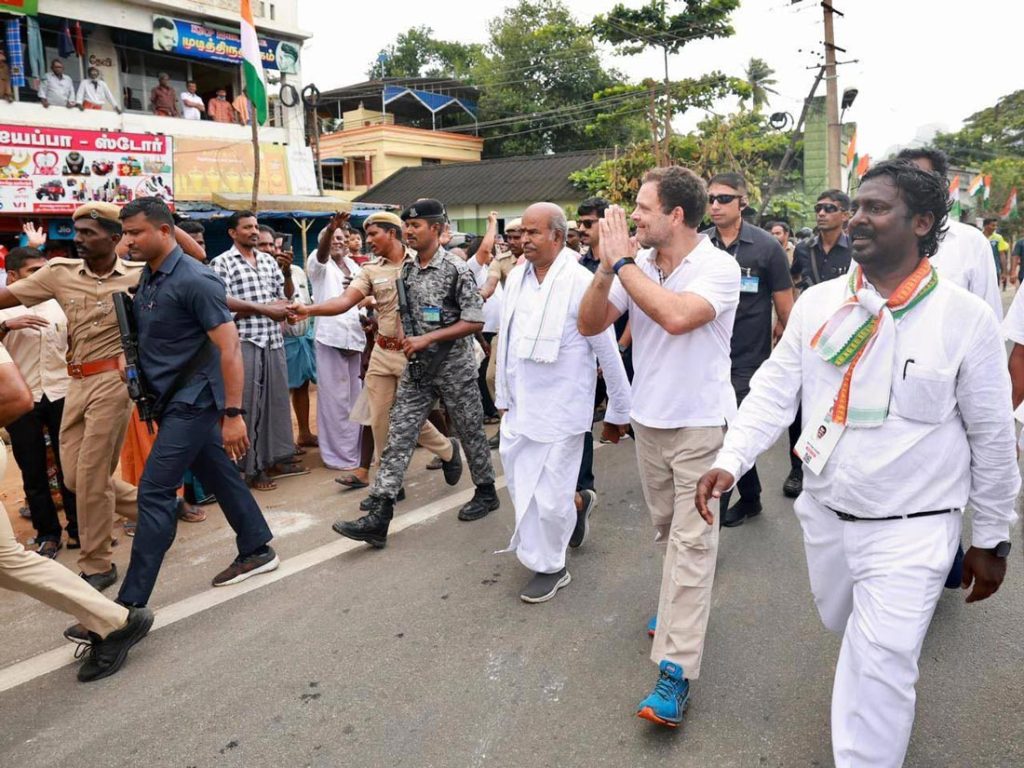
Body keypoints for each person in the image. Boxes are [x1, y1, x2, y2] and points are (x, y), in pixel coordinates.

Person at [698, 160, 1018, 765]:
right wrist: (731, 459)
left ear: (921, 222)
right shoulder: (820, 304)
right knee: (850, 633)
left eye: (877, 208)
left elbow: (993, 435)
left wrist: (992, 536)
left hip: (914, 529)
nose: (856, 219)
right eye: (857, 206)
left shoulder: (963, 317)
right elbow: (774, 390)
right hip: (825, 517)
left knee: (880, 666)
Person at [578, 166, 740, 728]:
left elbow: (675, 318)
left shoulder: (718, 266)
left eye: (643, 208)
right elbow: (590, 324)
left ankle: (675, 672)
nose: (633, 216)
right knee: (669, 532)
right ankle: (677, 609)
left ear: (675, 214)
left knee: (693, 546)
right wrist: (607, 267)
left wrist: (623, 263)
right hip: (649, 423)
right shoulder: (638, 265)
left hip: (701, 426)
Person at [295, 200, 499, 545]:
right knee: (398, 435)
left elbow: (474, 320)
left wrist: (428, 338)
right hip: (417, 369)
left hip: (454, 367)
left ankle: (486, 490)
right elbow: (394, 309)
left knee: (469, 431)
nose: (410, 231)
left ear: (436, 229)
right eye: (407, 226)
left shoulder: (455, 268)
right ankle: (380, 513)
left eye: (416, 226)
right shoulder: (406, 271)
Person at [113, 197, 280, 606]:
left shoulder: (195, 279)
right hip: (169, 397)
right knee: (217, 472)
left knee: (154, 492)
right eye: (125, 233)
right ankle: (257, 546)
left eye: (135, 233)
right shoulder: (152, 274)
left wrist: (233, 414)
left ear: (164, 231)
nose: (128, 241)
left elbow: (229, 347)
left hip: (194, 400)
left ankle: (127, 607)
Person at [0, 203, 141, 591]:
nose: (78, 239)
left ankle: (97, 564)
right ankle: (155, 508)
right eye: (76, 231)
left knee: (91, 476)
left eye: (88, 233)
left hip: (114, 382)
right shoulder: (58, 272)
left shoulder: (139, 275)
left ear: (115, 237)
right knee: (76, 480)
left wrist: (160, 219)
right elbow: (5, 297)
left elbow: (194, 266)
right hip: (74, 382)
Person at [497, 202, 630, 602]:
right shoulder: (516, 277)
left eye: (533, 232)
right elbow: (506, 342)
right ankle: (580, 502)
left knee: (550, 500)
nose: (523, 239)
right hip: (521, 405)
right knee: (524, 487)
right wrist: (503, 395)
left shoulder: (579, 280)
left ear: (557, 236)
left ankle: (551, 567)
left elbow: (606, 349)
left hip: (563, 407)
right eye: (521, 232)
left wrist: (619, 411)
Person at [0, 350, 153, 682]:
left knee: (89, 481)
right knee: (8, 560)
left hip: (98, 386)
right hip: (81, 386)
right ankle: (111, 618)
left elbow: (16, 395)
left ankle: (112, 610)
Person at [301, 212, 457, 491]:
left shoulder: (421, 262)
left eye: (373, 234)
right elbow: (344, 302)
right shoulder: (370, 270)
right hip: (382, 354)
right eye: (367, 235)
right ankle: (389, 483)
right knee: (379, 417)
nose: (366, 240)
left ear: (392, 234)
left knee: (410, 416)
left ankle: (446, 450)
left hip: (414, 354)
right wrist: (308, 310)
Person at [704, 172, 793, 527]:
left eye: (724, 198)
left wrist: (786, 359)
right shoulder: (700, 244)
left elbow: (786, 309)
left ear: (743, 202)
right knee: (725, 430)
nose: (715, 205)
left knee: (731, 431)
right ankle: (752, 497)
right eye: (710, 198)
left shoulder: (766, 247)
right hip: (707, 356)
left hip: (749, 359)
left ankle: (712, 515)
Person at [210, 211, 302, 491]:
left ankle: (267, 461)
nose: (253, 231)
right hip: (243, 342)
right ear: (232, 233)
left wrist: (286, 274)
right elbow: (220, 302)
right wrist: (263, 309)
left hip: (273, 340)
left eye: (255, 227)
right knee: (246, 407)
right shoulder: (222, 262)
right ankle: (246, 469)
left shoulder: (268, 261)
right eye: (247, 227)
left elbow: (283, 296)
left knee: (273, 405)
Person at [0, 247, 77, 558]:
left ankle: (79, 530)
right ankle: (47, 534)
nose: (42, 276)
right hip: (23, 401)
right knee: (32, 471)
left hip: (61, 393)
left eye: (44, 270)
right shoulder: (2, 309)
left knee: (71, 466)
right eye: (34, 271)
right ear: (12, 276)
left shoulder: (60, 304)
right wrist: (6, 326)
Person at [784, 189, 853, 499]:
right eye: (819, 208)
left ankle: (835, 463)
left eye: (830, 208)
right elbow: (792, 281)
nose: (822, 213)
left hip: (845, 334)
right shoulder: (803, 249)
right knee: (800, 402)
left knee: (838, 399)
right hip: (809, 331)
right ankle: (797, 467)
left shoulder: (854, 250)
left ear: (845, 215)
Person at [897, 148, 1002, 318]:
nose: (912, 188)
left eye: (921, 178)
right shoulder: (877, 240)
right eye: (904, 180)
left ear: (941, 185)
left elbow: (990, 314)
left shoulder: (972, 242)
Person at [264, 227, 318, 453]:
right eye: (273, 247)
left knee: (302, 385)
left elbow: (302, 299)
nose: (279, 252)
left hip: (302, 337)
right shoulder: (265, 272)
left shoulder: (297, 270)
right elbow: (282, 298)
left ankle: (304, 432)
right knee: (280, 391)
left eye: (281, 247)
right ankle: (284, 441)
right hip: (280, 339)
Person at [983, 216, 1010, 289]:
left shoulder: (998, 238)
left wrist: (1004, 272)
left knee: (993, 290)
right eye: (993, 225)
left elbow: (1002, 255)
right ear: (985, 226)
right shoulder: (978, 237)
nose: (995, 227)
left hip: (994, 270)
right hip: (981, 270)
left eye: (996, 226)